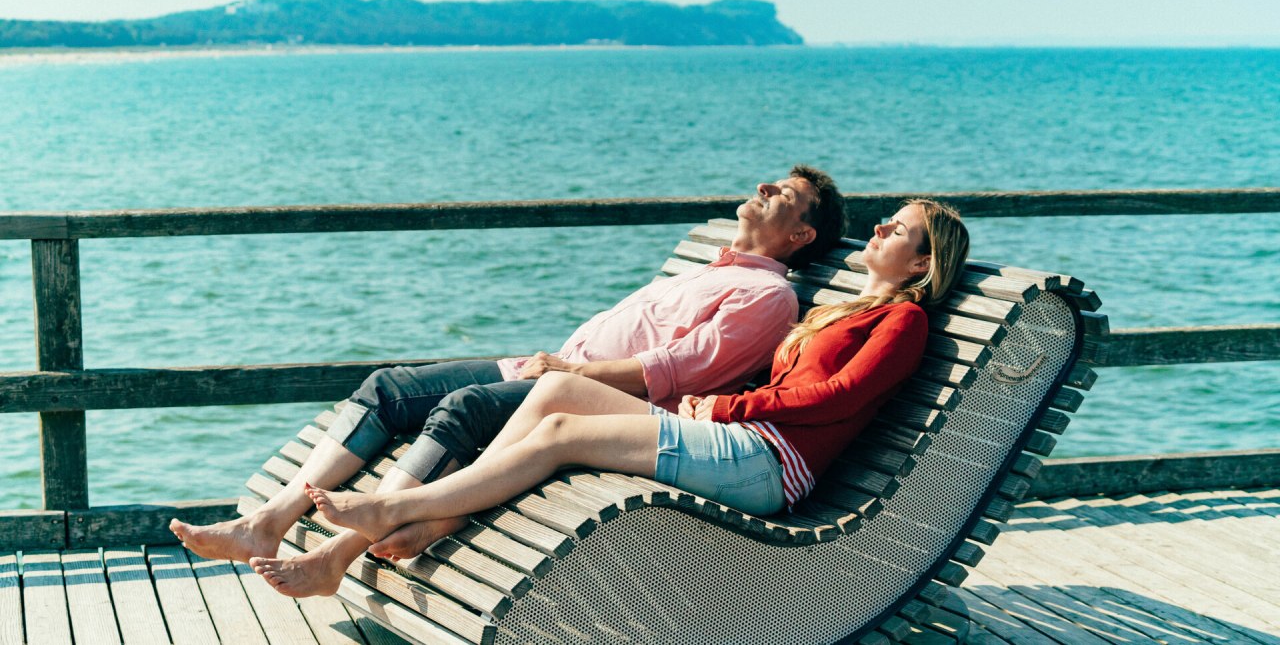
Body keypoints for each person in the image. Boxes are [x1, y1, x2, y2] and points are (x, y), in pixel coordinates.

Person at [251, 199, 969, 597]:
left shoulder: (902, 320)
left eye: (895, 228)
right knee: (562, 390)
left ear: (923, 262)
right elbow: (787, 386)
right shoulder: (835, 309)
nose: (877, 229)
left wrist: (721, 407)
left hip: (767, 466)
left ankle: (398, 512)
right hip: (740, 441)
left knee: (563, 431)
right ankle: (427, 524)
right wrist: (722, 405)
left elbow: (835, 395)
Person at [170, 166, 846, 581]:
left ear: (801, 236)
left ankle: (339, 553)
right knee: (388, 388)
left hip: (586, 392)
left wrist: (576, 372)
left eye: (781, 193)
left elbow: (675, 372)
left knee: (461, 409)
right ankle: (272, 520)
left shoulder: (769, 296)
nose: (761, 188)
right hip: (545, 365)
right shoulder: (717, 266)